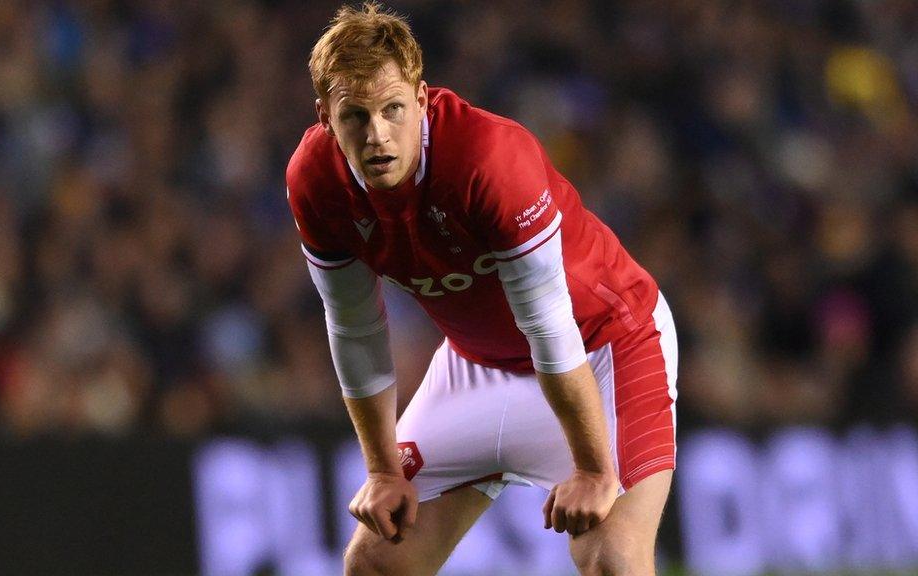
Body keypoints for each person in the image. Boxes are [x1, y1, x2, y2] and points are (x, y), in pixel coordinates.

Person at [286, 3, 678, 574]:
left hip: (603, 347)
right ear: (324, 116)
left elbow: (547, 322)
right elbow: (355, 329)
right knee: (375, 563)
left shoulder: (488, 158)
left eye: (394, 109)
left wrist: (595, 470)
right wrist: (381, 472)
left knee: (612, 559)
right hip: (476, 365)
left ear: (422, 99)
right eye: (355, 116)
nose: (377, 137)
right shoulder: (314, 180)